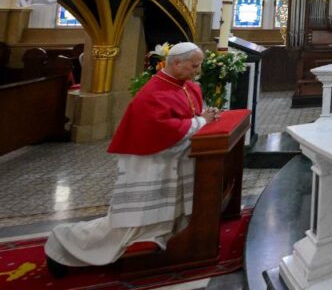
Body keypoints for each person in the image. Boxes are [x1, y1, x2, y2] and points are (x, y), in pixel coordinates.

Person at [45, 43, 218, 278]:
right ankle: (64, 244)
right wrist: (202, 122)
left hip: (170, 164)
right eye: (194, 66)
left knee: (162, 218)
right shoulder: (154, 93)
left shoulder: (187, 86)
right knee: (131, 224)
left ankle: (158, 248)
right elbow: (165, 131)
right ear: (177, 63)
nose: (197, 71)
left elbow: (190, 116)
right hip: (150, 166)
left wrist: (204, 118)